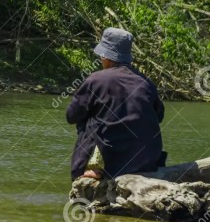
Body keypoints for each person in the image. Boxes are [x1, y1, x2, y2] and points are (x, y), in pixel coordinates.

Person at [66, 27, 165, 180]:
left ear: (106, 56)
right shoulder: (146, 83)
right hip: (147, 160)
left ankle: (93, 167)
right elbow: (159, 116)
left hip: (114, 163)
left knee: (88, 121)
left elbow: (71, 116)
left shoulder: (96, 80)